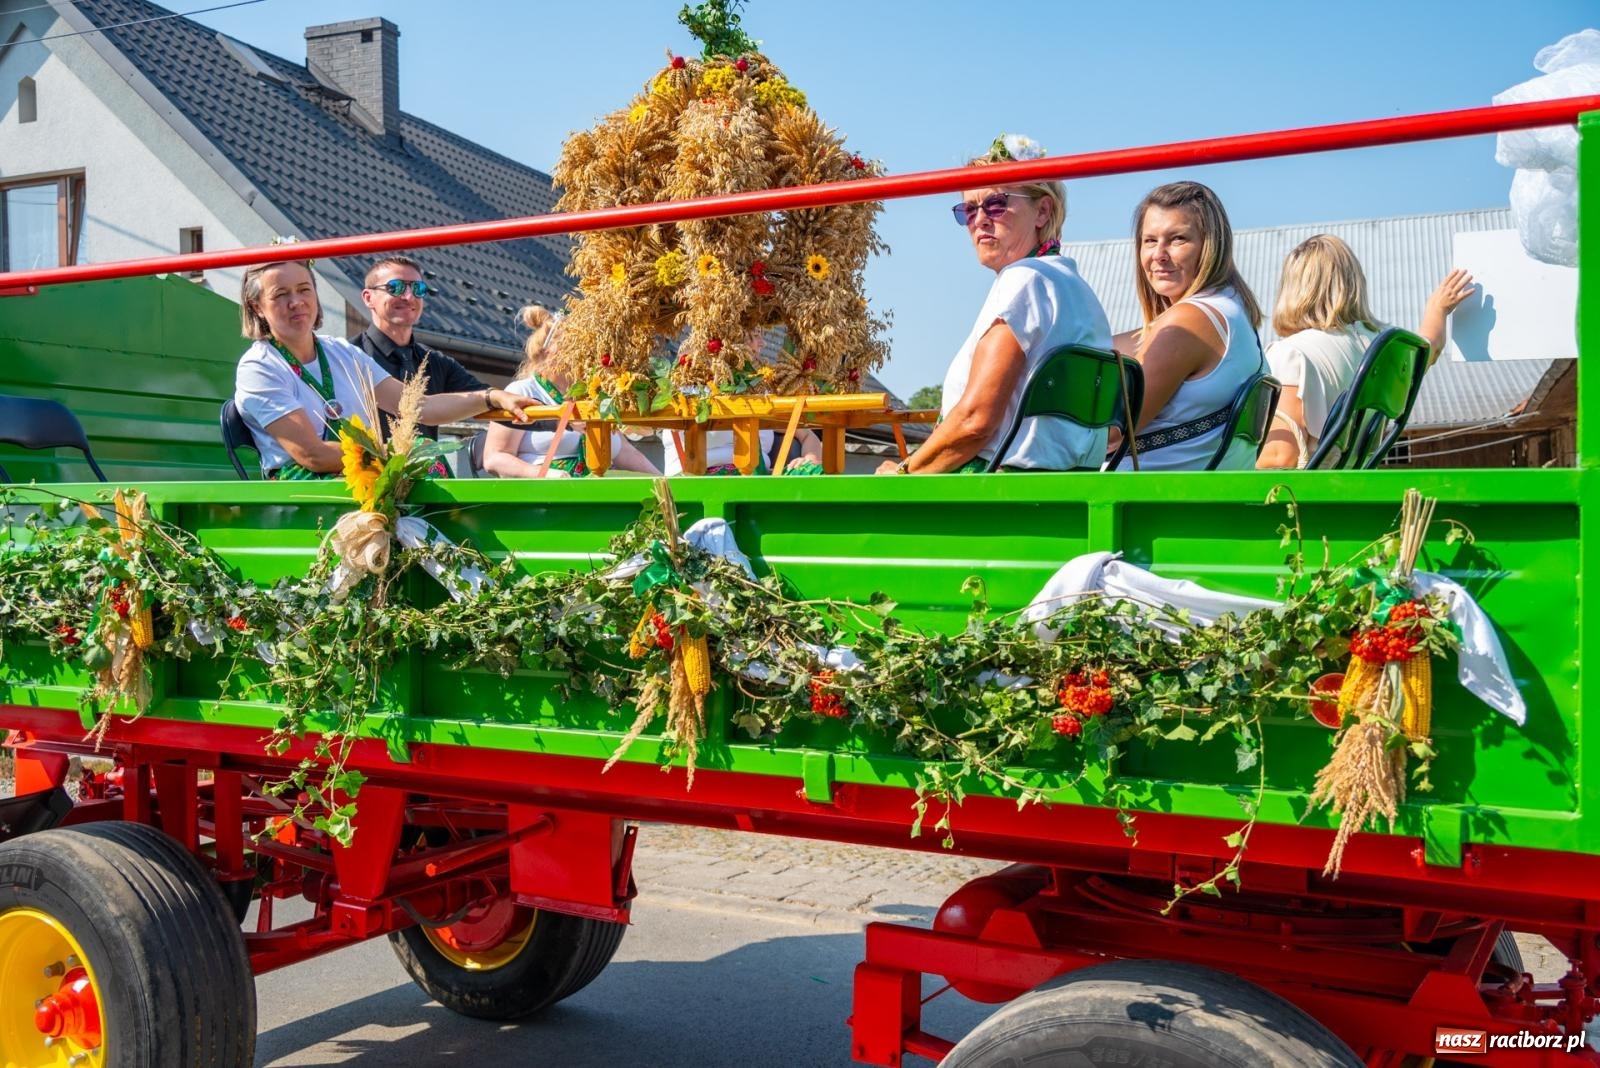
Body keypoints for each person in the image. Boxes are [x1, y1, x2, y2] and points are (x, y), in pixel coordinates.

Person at [876, 133, 1112, 474]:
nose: (980, 219)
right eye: (968, 209)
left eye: (996, 203)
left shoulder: (1023, 281)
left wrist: (903, 473)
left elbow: (975, 422)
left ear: (1042, 211)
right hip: (1068, 488)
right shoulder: (1078, 289)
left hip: (998, 492)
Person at [233, 259, 528, 479]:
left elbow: (417, 407)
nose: (296, 302)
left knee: (425, 453)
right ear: (257, 306)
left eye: (303, 290)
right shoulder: (259, 367)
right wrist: (396, 452)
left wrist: (492, 398)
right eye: (280, 294)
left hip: (364, 470)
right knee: (421, 456)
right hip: (307, 486)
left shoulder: (342, 352)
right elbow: (313, 455)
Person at [1257, 235, 1476, 469]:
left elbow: (1281, 458)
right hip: (1353, 489)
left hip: (1304, 498)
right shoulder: (1390, 348)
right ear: (1354, 283)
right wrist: (1437, 309)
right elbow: (1430, 348)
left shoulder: (1290, 355)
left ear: (1291, 289)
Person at [1111, 181, 1266, 471]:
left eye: (1178, 239)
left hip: (1151, 507)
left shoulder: (1190, 320)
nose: (1158, 254)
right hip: (1194, 499)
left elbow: (1109, 431)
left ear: (1210, 246)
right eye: (1149, 240)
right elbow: (1126, 341)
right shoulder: (1229, 309)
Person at [481, 305, 658, 477]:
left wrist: (668, 483)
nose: (582, 352)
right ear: (547, 350)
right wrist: (544, 474)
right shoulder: (521, 391)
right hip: (542, 496)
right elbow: (494, 458)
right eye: (571, 345)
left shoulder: (594, 395)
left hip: (595, 495)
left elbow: (625, 453)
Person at [352, 254, 488, 441]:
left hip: (428, 469)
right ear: (368, 298)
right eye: (395, 287)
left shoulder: (435, 362)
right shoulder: (349, 356)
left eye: (418, 289)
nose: (408, 296)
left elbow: (484, 395)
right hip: (365, 468)